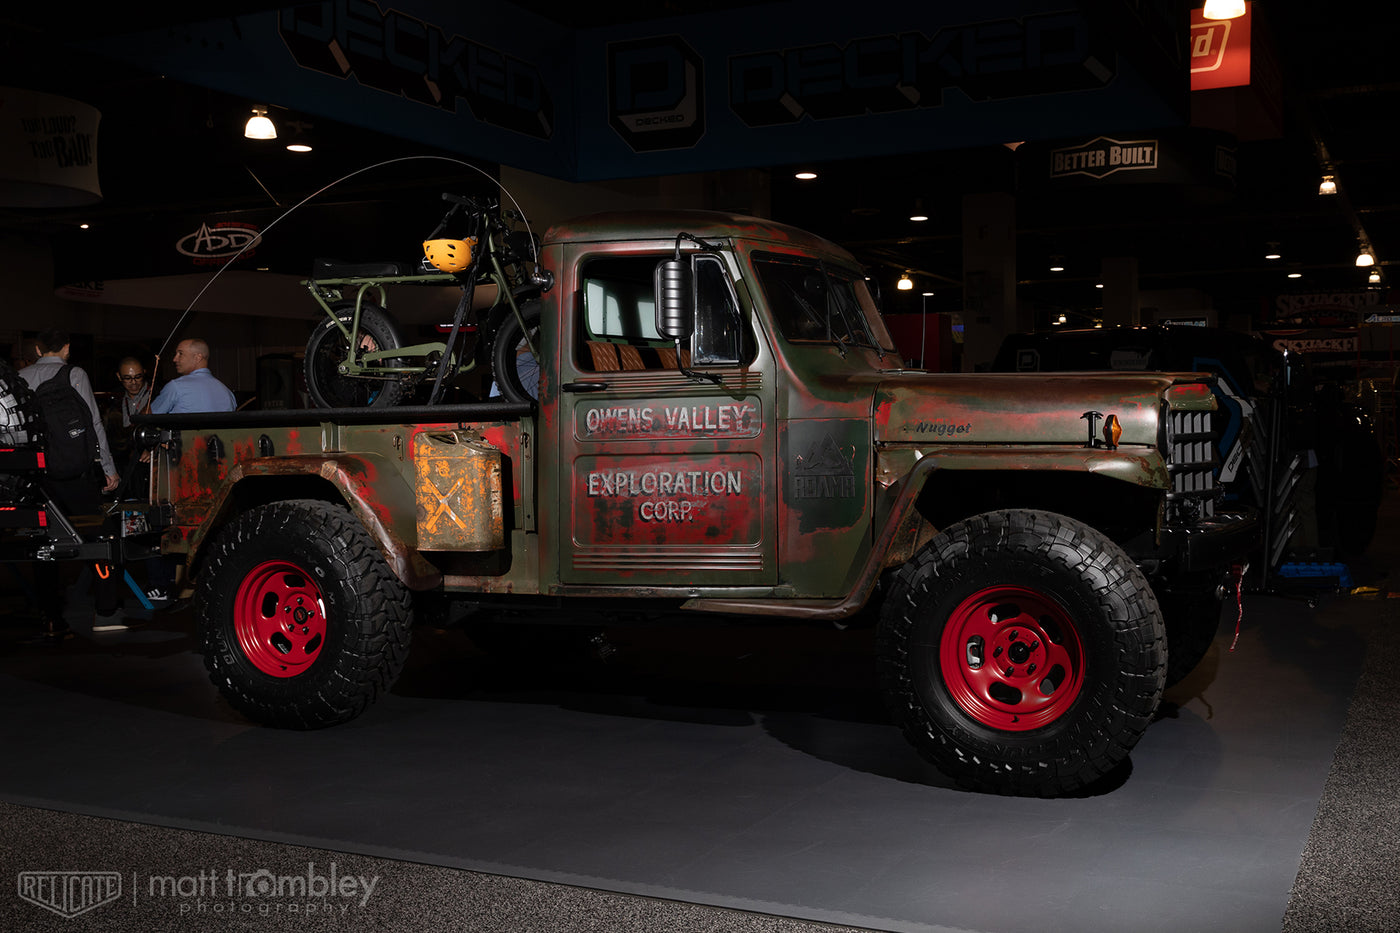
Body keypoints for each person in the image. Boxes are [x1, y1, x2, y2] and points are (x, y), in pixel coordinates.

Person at [19, 329, 123, 640]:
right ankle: (106, 613)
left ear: (38, 349)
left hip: (38, 479)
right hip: (77, 474)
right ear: (66, 348)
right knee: (95, 537)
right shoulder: (74, 374)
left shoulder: (20, 377)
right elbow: (93, 422)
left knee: (44, 545)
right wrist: (108, 469)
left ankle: (51, 617)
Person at [150, 338, 237, 414]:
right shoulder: (227, 393)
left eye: (180, 354)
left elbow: (147, 418)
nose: (174, 359)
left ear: (198, 357)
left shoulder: (176, 387)